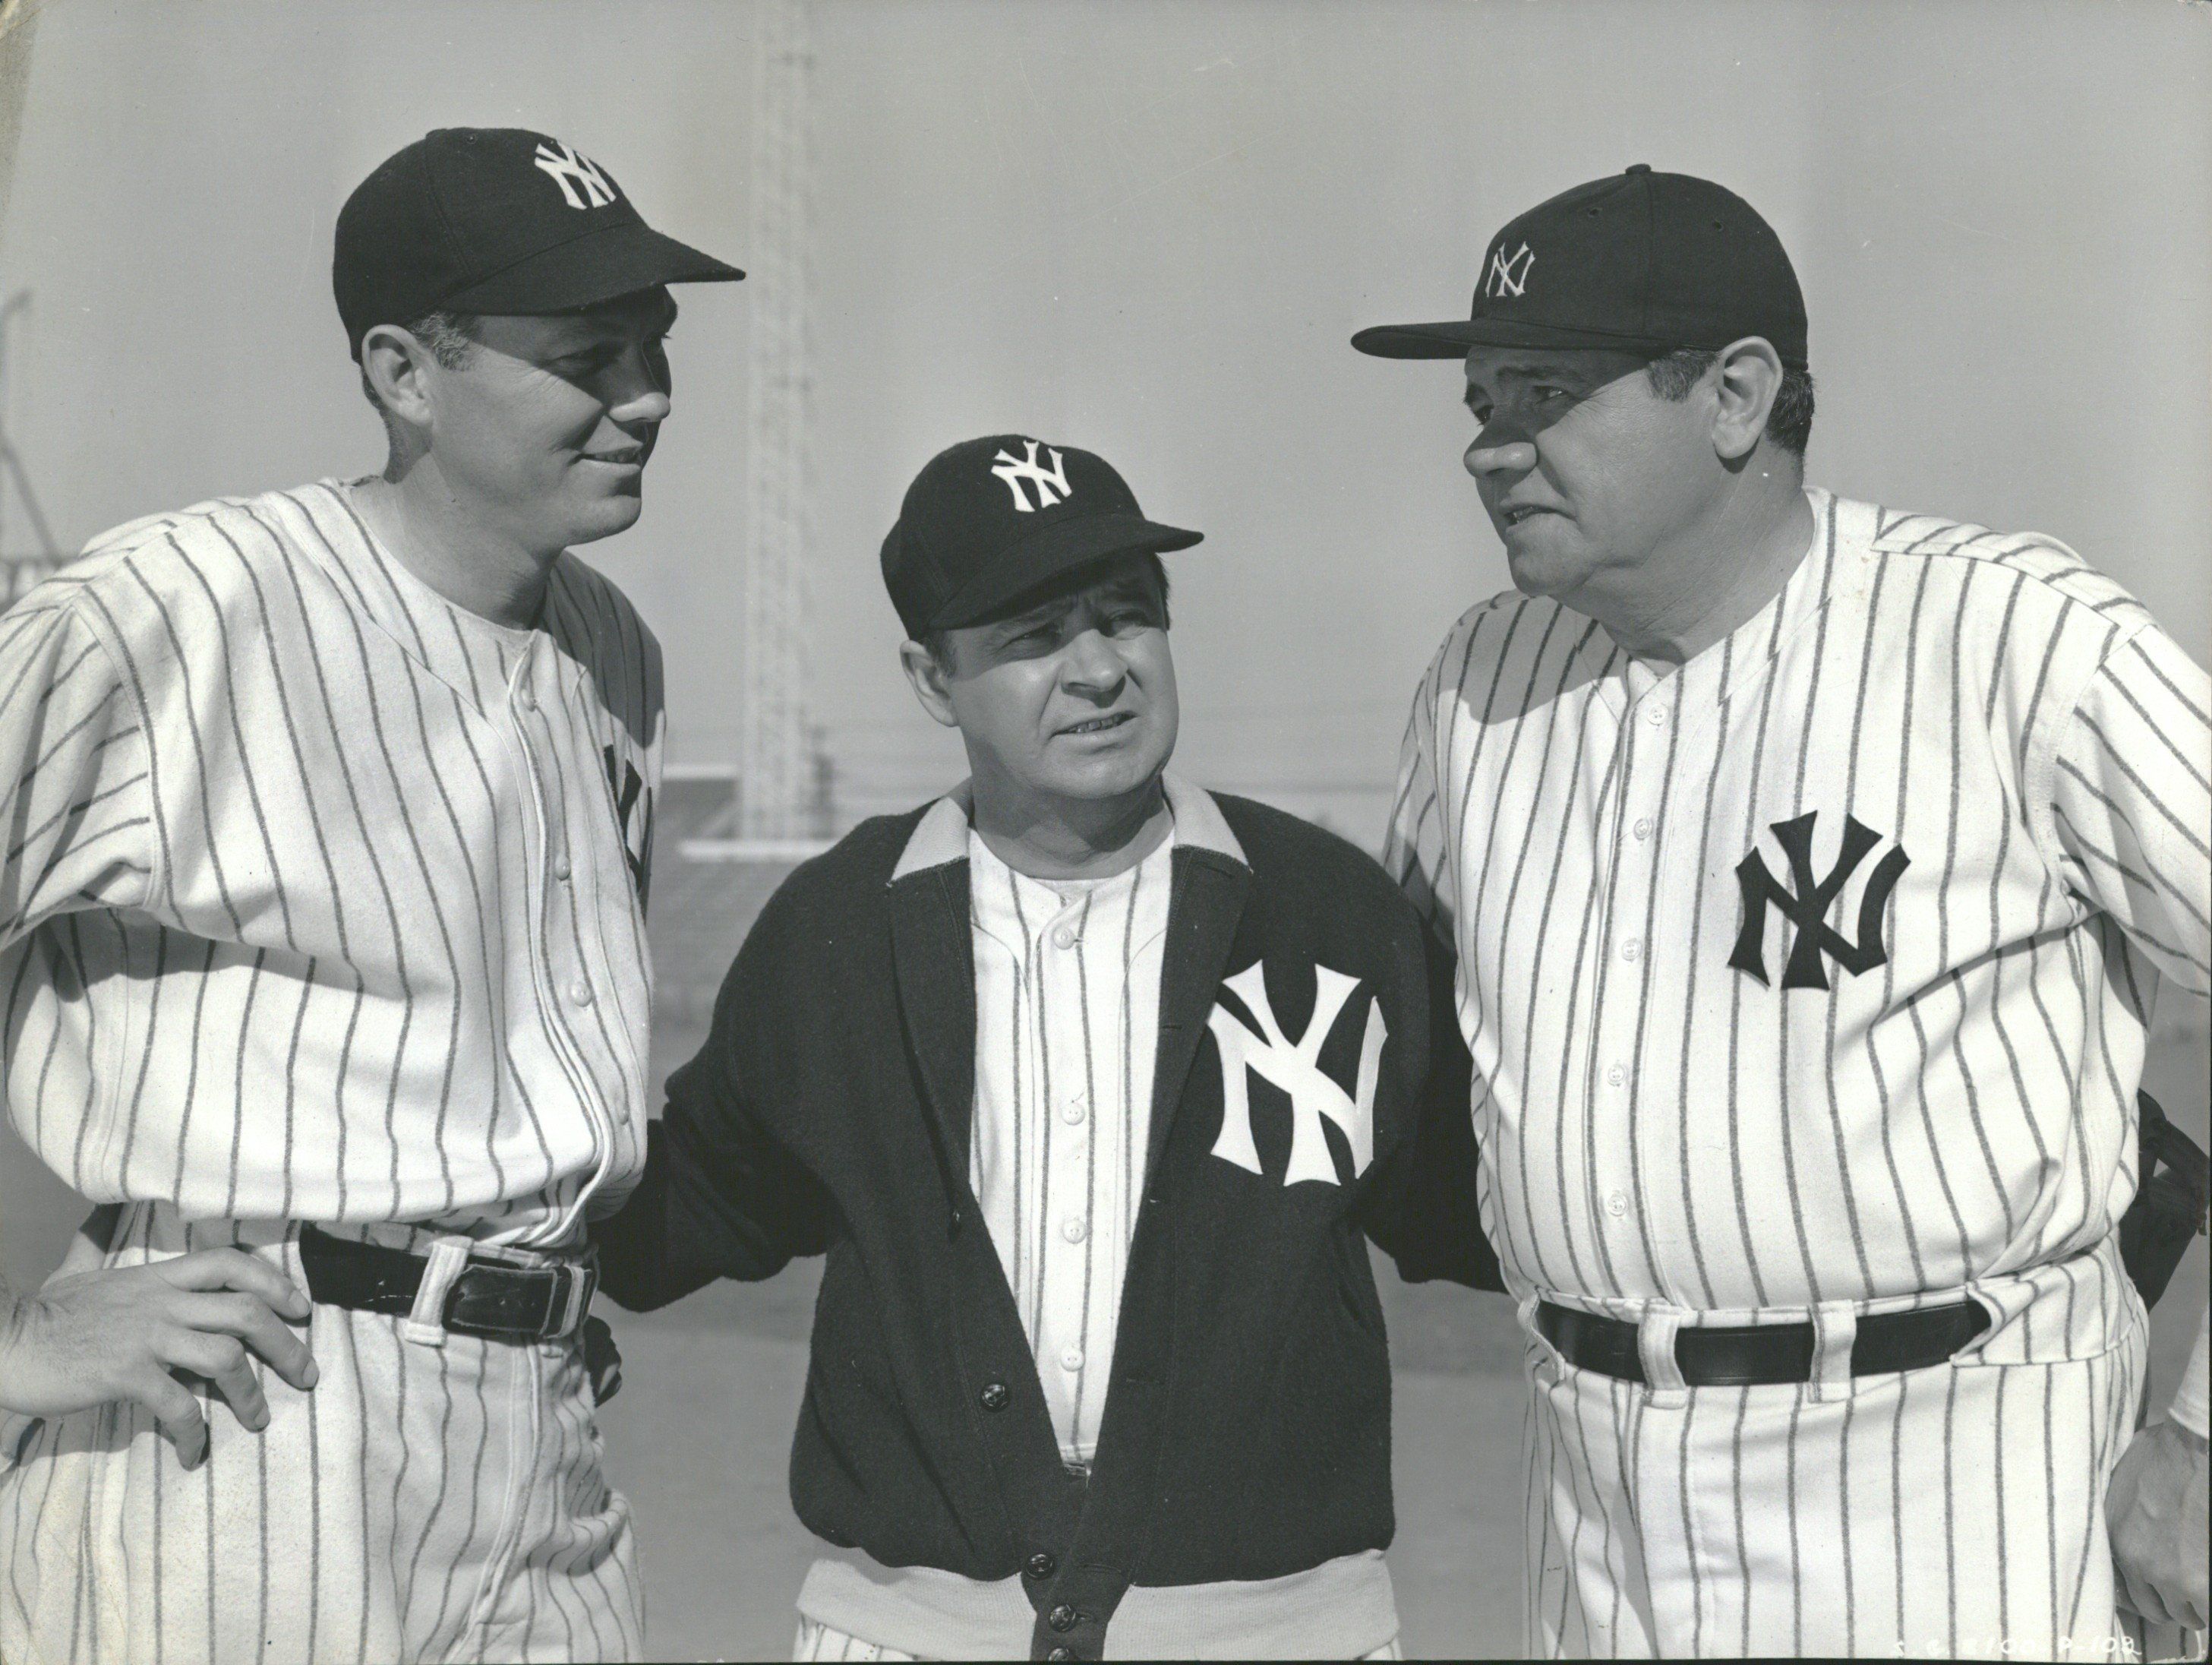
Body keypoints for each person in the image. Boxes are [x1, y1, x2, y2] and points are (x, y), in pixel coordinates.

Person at [1352, 164, 2210, 1658]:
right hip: (1594, 1508)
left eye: (1542, 392)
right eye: (1479, 400)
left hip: (1951, 1489)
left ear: (1737, 395)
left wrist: (2201, 1436)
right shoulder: (1476, 681)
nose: (1491, 448)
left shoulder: (2014, 639)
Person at [0, 126, 740, 1663]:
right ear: (406, 373)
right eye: (588, 353)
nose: (648, 395)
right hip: (252, 1416)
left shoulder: (612, 647)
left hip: (538, 1432)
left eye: (654, 343)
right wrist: (11, 1342)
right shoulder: (168, 611)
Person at [592, 434, 1500, 1661]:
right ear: (930, 678)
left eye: (1126, 617)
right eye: (1029, 639)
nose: (1096, 672)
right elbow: (674, 1215)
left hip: (1279, 1626)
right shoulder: (839, 928)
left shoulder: (1324, 910)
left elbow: (1493, 1207)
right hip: (910, 1626)